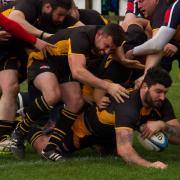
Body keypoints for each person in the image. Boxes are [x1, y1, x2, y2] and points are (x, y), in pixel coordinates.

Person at [10, 24, 129, 160]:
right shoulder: (82, 36)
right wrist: (109, 87)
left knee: (76, 102)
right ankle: (19, 132)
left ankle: (49, 150)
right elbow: (77, 72)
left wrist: (124, 59)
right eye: (106, 46)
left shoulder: (103, 38)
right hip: (43, 60)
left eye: (111, 49)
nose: (107, 52)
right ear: (99, 34)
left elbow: (118, 45)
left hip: (64, 70)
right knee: (52, 95)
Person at [26, 66, 176, 169]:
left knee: (108, 150)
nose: (163, 97)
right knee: (45, 149)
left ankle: (101, 145)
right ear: (144, 87)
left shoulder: (160, 102)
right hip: (84, 131)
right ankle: (28, 128)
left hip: (108, 133)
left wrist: (163, 125)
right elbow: (126, 153)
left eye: (165, 92)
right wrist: (150, 165)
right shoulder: (127, 107)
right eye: (158, 91)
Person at [124, 0, 179, 82]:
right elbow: (128, 23)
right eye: (138, 2)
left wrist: (132, 52)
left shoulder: (164, 8)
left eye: (141, 1)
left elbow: (156, 45)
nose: (138, 6)